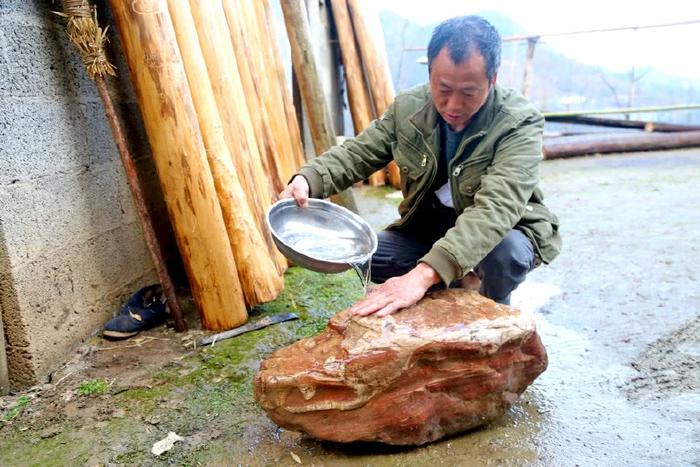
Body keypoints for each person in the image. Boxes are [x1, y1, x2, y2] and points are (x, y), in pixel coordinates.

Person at [280, 15, 561, 318]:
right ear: (430, 73)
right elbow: (358, 153)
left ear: (492, 80)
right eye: (443, 89)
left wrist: (420, 277)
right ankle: (454, 281)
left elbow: (496, 210)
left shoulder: (519, 122)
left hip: (501, 234)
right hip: (431, 231)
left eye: (468, 92)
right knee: (366, 257)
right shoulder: (409, 108)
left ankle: (493, 307)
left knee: (503, 256)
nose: (453, 105)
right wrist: (309, 179)